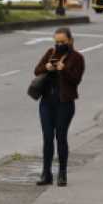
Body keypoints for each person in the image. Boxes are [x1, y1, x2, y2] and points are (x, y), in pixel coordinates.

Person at [34, 27, 85, 187]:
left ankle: (62, 174)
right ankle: (46, 173)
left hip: (65, 103)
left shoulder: (77, 57)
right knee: (48, 137)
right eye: (57, 42)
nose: (59, 44)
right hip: (47, 102)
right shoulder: (50, 53)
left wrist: (64, 70)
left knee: (61, 137)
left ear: (70, 40)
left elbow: (76, 80)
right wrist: (46, 67)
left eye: (62, 42)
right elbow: (37, 71)